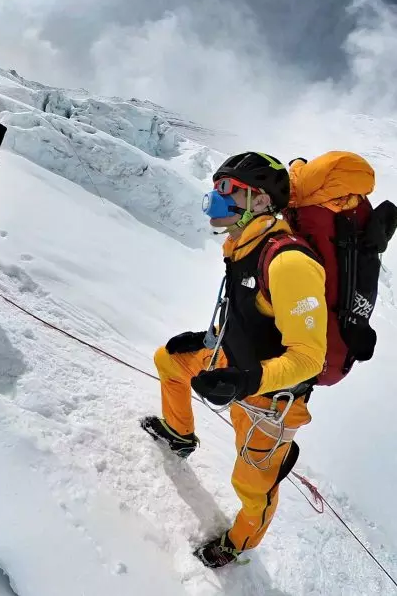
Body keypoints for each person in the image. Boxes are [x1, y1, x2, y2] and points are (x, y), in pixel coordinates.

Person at [141, 151, 328, 568]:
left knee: (251, 485)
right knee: (169, 361)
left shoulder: (289, 261)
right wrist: (202, 340)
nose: (216, 197)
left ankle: (238, 544)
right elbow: (247, 315)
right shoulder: (245, 245)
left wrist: (244, 382)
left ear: (261, 201)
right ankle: (180, 434)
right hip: (234, 363)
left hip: (272, 402)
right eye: (216, 187)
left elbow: (309, 358)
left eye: (228, 189)